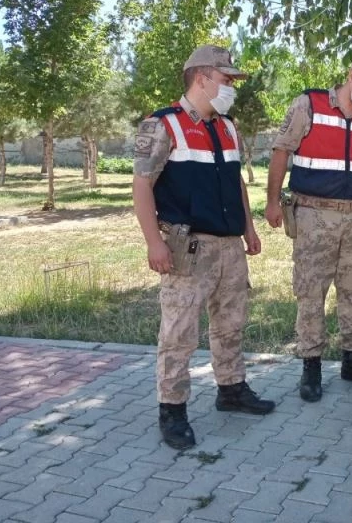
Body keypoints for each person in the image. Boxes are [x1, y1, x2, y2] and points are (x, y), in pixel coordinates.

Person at [132, 45, 275, 450]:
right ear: (201, 78)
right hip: (187, 249)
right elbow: (142, 185)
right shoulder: (163, 125)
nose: (232, 86)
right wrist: (153, 243)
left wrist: (249, 228)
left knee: (231, 324)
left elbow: (238, 183)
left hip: (230, 247)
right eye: (226, 79)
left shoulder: (227, 127)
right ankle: (172, 410)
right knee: (179, 332)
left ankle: (231, 389)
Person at [264, 50, 352, 402]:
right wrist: (273, 201)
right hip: (313, 215)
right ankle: (311, 366)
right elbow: (280, 150)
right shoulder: (310, 104)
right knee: (311, 291)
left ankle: (351, 360)